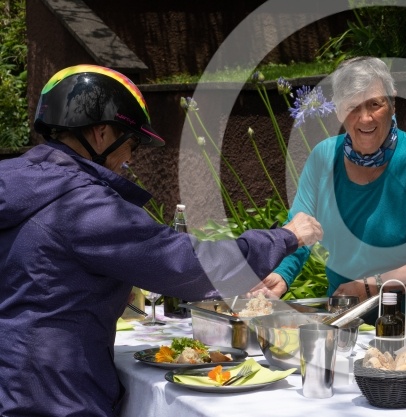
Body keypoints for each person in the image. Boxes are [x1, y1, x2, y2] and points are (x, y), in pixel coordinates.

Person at [0, 65, 322, 417]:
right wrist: (285, 237)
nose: (130, 159)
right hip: (55, 397)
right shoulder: (80, 204)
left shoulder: (16, 185)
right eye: (132, 143)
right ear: (101, 133)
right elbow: (186, 265)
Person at [252, 57, 406, 323]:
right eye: (352, 106)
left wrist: (371, 287)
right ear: (338, 110)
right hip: (346, 320)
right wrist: (281, 274)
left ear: (393, 102)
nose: (365, 118)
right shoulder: (323, 158)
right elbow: (300, 229)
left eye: (375, 104)